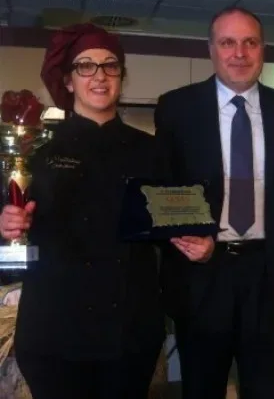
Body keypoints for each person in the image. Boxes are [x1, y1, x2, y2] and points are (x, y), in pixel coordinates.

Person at [0, 23, 165, 398]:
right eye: (86, 66)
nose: (100, 76)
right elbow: (6, 223)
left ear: (121, 76)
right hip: (54, 331)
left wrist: (193, 239)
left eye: (110, 65)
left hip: (130, 332)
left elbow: (168, 227)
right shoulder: (35, 151)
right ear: (69, 80)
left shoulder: (152, 151)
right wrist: (5, 224)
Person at [155, 6, 274, 399]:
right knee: (201, 388)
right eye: (228, 42)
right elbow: (163, 191)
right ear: (211, 49)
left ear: (263, 49)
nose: (239, 53)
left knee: (263, 388)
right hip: (202, 273)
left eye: (250, 42)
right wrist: (192, 238)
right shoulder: (177, 108)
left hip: (267, 274)